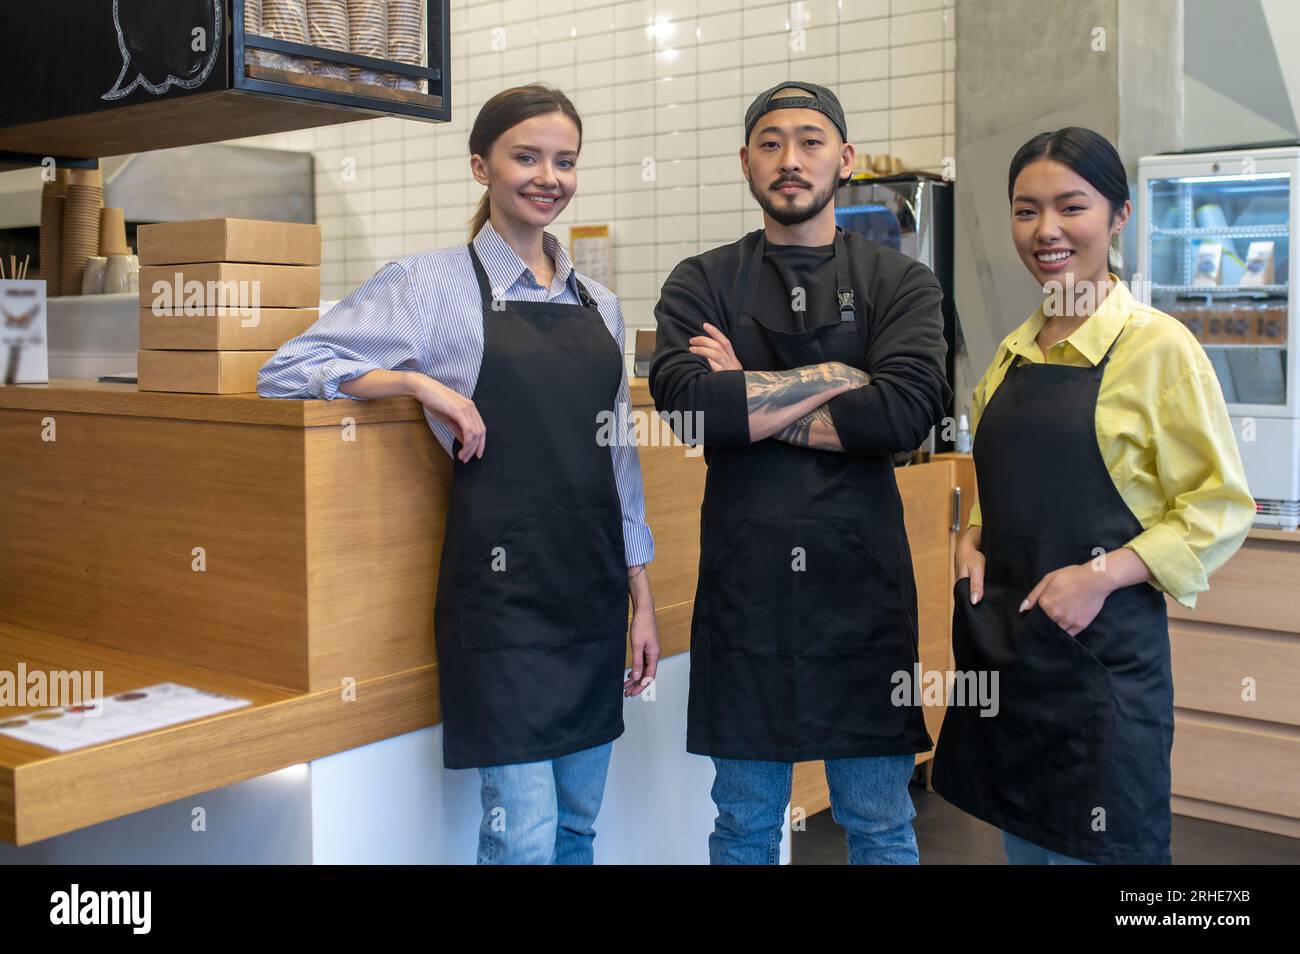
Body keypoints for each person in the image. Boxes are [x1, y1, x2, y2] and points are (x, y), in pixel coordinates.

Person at [257, 83, 660, 865]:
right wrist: (415, 383)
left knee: (578, 827)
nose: (548, 176)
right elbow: (289, 367)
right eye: (526, 157)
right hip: (502, 606)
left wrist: (640, 595)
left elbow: (619, 456)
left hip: (592, 594)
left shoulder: (600, 304)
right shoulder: (431, 285)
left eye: (565, 161)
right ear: (482, 166)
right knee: (528, 835)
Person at [931, 126, 1255, 865]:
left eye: (1070, 206)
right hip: (1013, 666)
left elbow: (1220, 504)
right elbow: (1002, 487)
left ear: (1119, 216)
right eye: (1025, 210)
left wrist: (1104, 573)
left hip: (1104, 676)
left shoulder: (1158, 348)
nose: (1046, 230)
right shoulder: (1011, 354)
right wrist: (972, 536)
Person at [649, 81, 950, 864]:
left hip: (862, 600)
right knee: (746, 825)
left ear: (844, 159)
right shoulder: (700, 280)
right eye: (772, 142)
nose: (791, 159)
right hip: (745, 599)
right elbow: (688, 409)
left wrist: (745, 391)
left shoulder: (902, 282)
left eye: (811, 140)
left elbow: (903, 414)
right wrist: (846, 378)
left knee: (879, 822)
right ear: (746, 161)